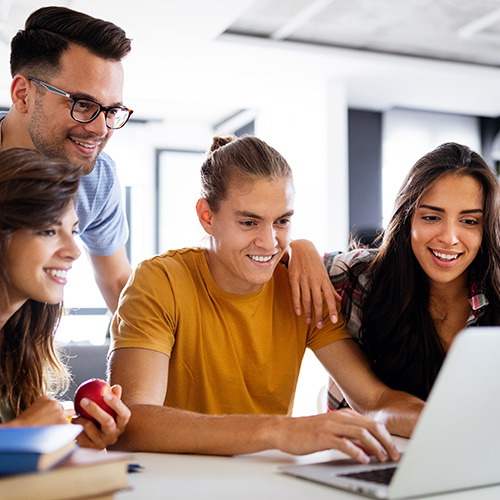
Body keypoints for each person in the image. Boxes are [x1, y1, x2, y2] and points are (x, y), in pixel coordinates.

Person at [109, 135, 424, 461]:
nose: (269, 242)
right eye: (249, 222)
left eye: (282, 222)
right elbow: (133, 421)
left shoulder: (299, 288)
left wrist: (455, 423)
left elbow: (374, 401)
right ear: (207, 216)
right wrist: (280, 430)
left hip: (265, 482)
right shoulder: (159, 281)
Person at [291, 142, 500, 409]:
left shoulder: (494, 294)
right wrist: (299, 247)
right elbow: (270, 259)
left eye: (469, 221)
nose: (449, 238)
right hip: (364, 450)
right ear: (407, 219)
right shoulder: (359, 278)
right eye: (431, 217)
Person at [1, 6, 134, 312]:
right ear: (23, 95)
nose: (100, 129)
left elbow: (117, 284)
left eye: (112, 111)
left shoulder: (96, 179)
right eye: (83, 104)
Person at [0, 147, 130, 449]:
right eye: (48, 231)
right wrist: (19, 433)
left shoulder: (20, 344)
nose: (73, 252)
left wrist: (72, 441)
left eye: (72, 230)